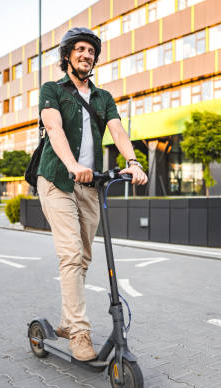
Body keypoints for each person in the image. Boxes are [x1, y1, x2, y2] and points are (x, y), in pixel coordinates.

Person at [36, 27, 148, 361]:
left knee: (83, 258)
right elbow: (54, 129)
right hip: (58, 180)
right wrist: (71, 164)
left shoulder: (103, 98)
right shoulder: (52, 90)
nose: (87, 55)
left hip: (90, 186)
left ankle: (68, 321)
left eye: (91, 51)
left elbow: (118, 130)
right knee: (70, 254)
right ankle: (80, 333)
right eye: (80, 50)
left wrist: (132, 161)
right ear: (68, 55)